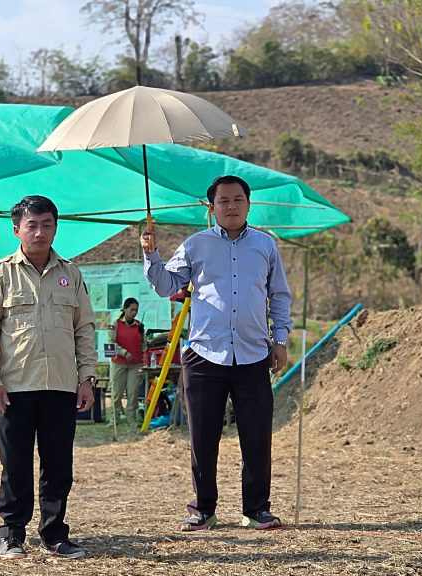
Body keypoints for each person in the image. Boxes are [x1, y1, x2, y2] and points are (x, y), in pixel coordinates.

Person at [142, 175, 292, 532]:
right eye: (223, 201)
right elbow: (166, 286)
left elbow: (279, 296)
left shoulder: (265, 246)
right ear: (212, 208)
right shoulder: (195, 245)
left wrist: (281, 340)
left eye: (238, 199)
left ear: (249, 205)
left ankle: (256, 510)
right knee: (202, 438)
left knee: (257, 437)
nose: (231, 206)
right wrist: (150, 253)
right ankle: (203, 509)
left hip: (254, 355)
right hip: (204, 355)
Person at [0, 195, 96, 560]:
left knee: (58, 463)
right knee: (15, 464)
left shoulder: (71, 273)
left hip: (61, 384)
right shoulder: (0, 273)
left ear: (56, 228)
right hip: (15, 386)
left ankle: (55, 533)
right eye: (32, 225)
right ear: (17, 230)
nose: (39, 232)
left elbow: (84, 329)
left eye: (46, 225)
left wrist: (87, 378)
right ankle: (12, 533)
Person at [109, 297, 145, 427]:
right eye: (132, 309)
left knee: (133, 392)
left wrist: (145, 355)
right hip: (118, 362)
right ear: (125, 309)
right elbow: (110, 342)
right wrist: (124, 352)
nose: (134, 312)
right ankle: (114, 419)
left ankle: (131, 419)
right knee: (117, 393)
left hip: (134, 364)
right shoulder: (115, 323)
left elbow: (143, 343)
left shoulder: (139, 325)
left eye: (136, 310)